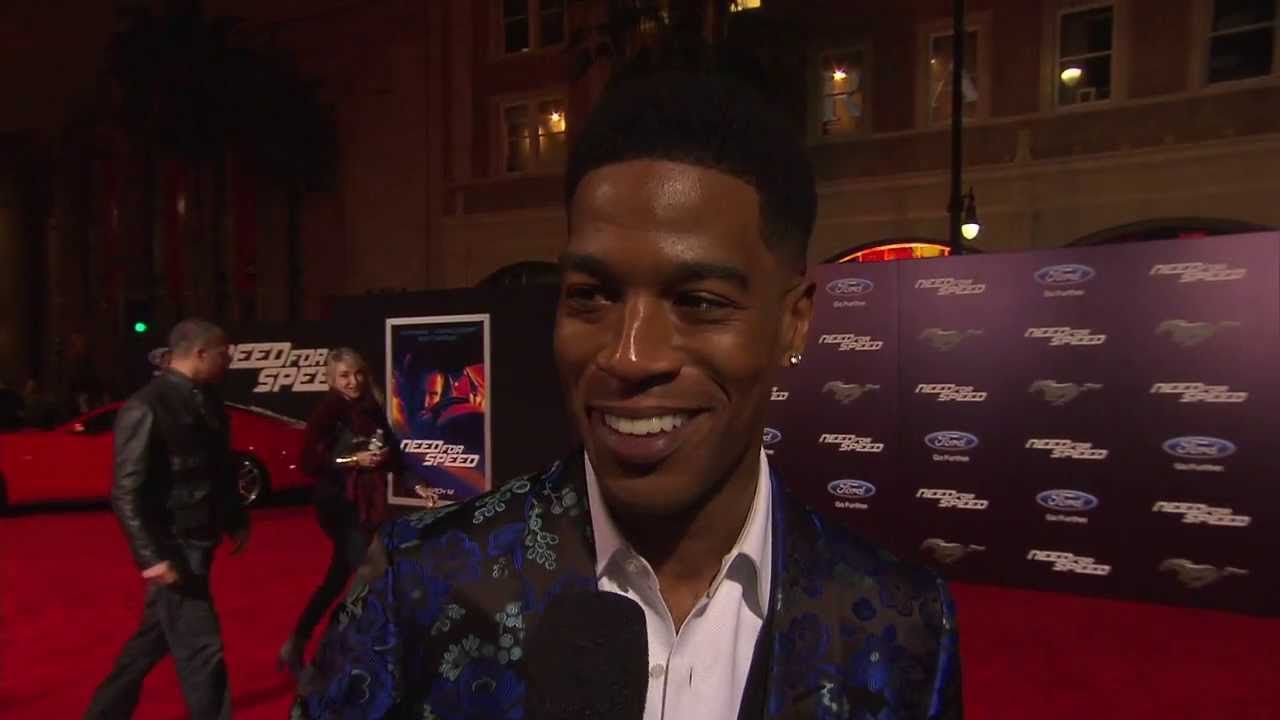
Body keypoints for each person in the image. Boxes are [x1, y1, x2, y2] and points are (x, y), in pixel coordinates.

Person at [295, 70, 962, 719]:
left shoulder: (900, 626)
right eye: (592, 295)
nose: (629, 355)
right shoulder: (419, 583)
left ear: (794, 320)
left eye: (699, 301)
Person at [85, 319, 249, 720]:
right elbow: (125, 492)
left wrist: (234, 518)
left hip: (200, 538)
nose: (229, 361)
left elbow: (215, 465)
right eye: (223, 354)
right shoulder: (146, 406)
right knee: (202, 649)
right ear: (200, 354)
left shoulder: (207, 399)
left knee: (151, 641)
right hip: (174, 547)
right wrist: (152, 558)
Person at [278, 348, 430, 677]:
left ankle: (296, 644)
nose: (353, 381)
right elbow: (308, 463)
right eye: (344, 376)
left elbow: (393, 455)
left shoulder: (371, 408)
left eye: (357, 373)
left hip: (369, 505)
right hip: (337, 505)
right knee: (374, 570)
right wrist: (353, 461)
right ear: (332, 380)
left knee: (338, 579)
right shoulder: (327, 413)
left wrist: (417, 485)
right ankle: (341, 655)